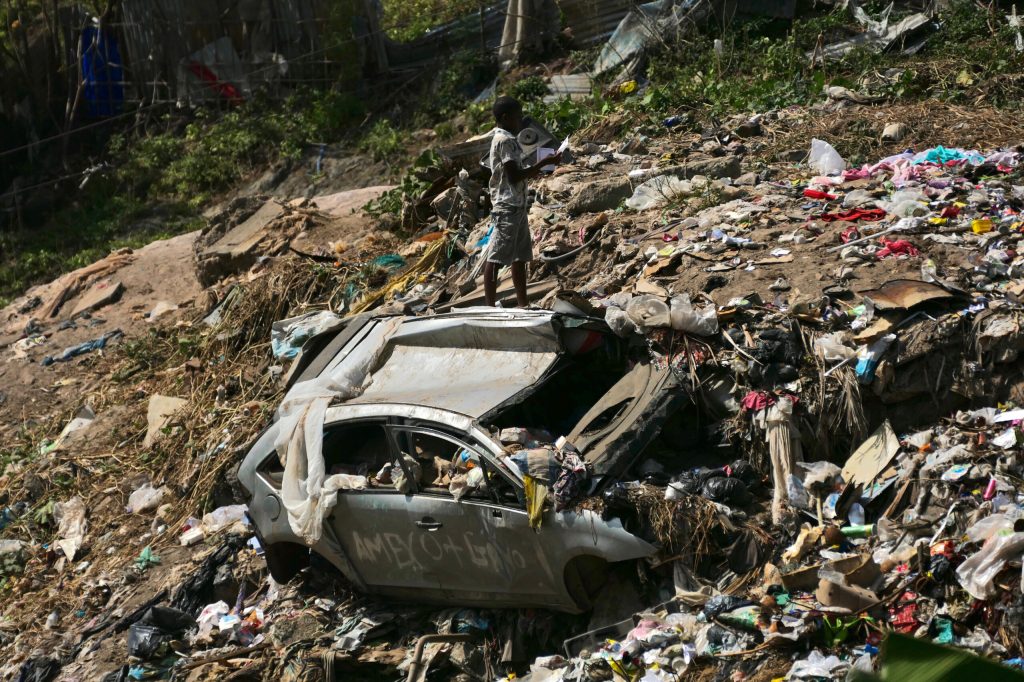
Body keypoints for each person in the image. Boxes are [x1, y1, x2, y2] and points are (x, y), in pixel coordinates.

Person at [485, 95, 560, 307]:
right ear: (506, 117)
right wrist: (543, 163)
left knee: (519, 257)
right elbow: (514, 176)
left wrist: (541, 167)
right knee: (496, 257)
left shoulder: (505, 138)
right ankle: (489, 308)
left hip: (516, 205)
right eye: (517, 117)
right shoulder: (505, 140)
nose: (520, 122)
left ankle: (523, 304)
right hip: (507, 206)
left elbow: (516, 174)